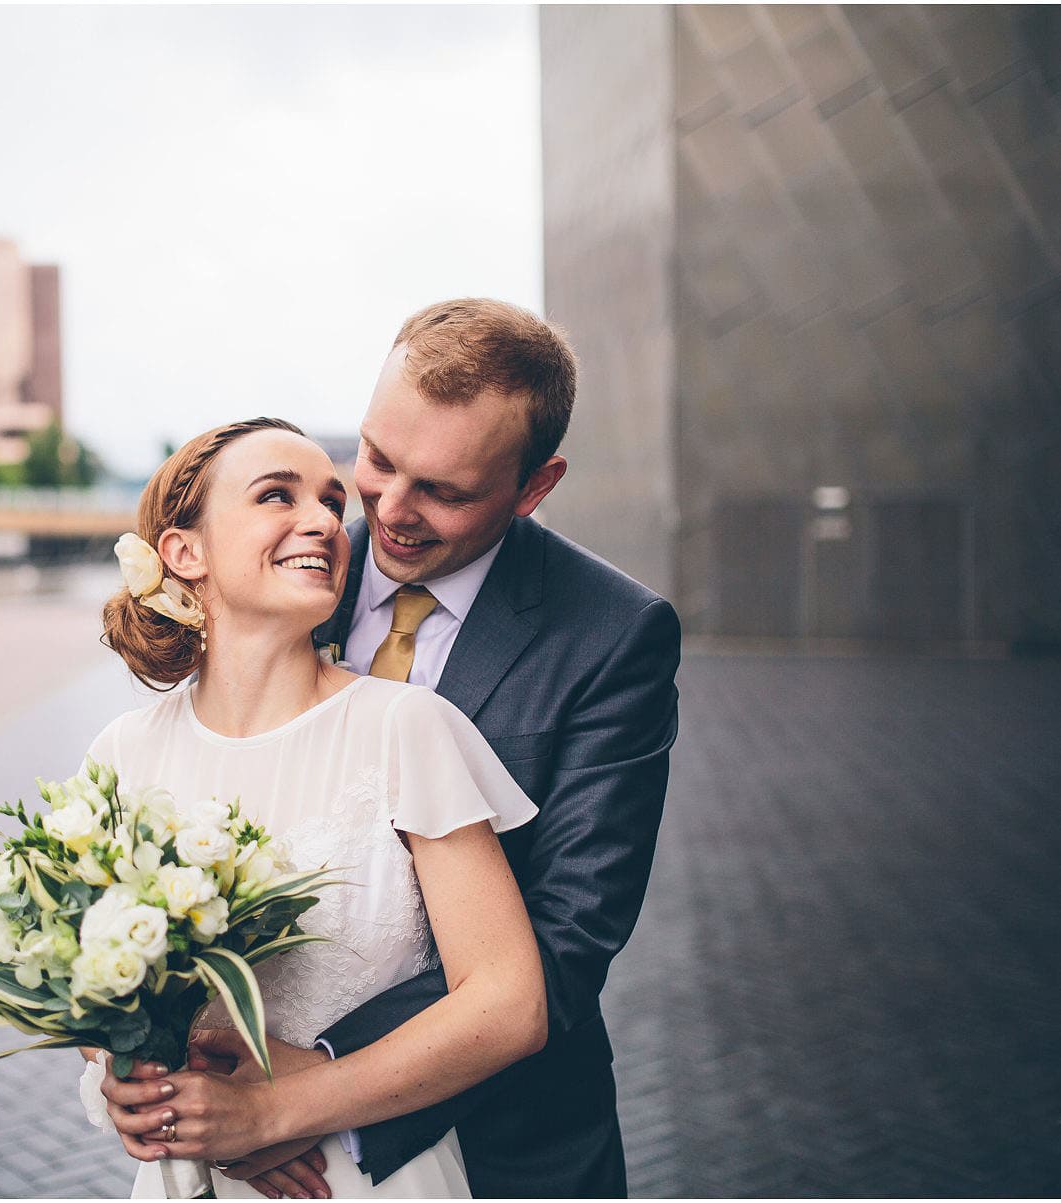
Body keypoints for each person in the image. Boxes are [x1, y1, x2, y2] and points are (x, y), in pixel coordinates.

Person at [100, 300, 681, 1199]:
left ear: (532, 486)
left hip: (500, 1147)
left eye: (445, 490)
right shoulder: (290, 573)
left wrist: (301, 1096)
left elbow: (564, 942)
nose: (387, 513)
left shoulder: (613, 636)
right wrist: (156, 1082)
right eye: (375, 461)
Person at [82, 416, 550, 1197]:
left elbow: (510, 1003)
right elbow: (95, 987)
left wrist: (276, 1110)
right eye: (277, 495)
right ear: (183, 552)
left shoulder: (407, 727)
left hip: (367, 1178)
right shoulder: (122, 753)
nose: (327, 523)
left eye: (333, 502)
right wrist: (127, 1080)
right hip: (192, 1174)